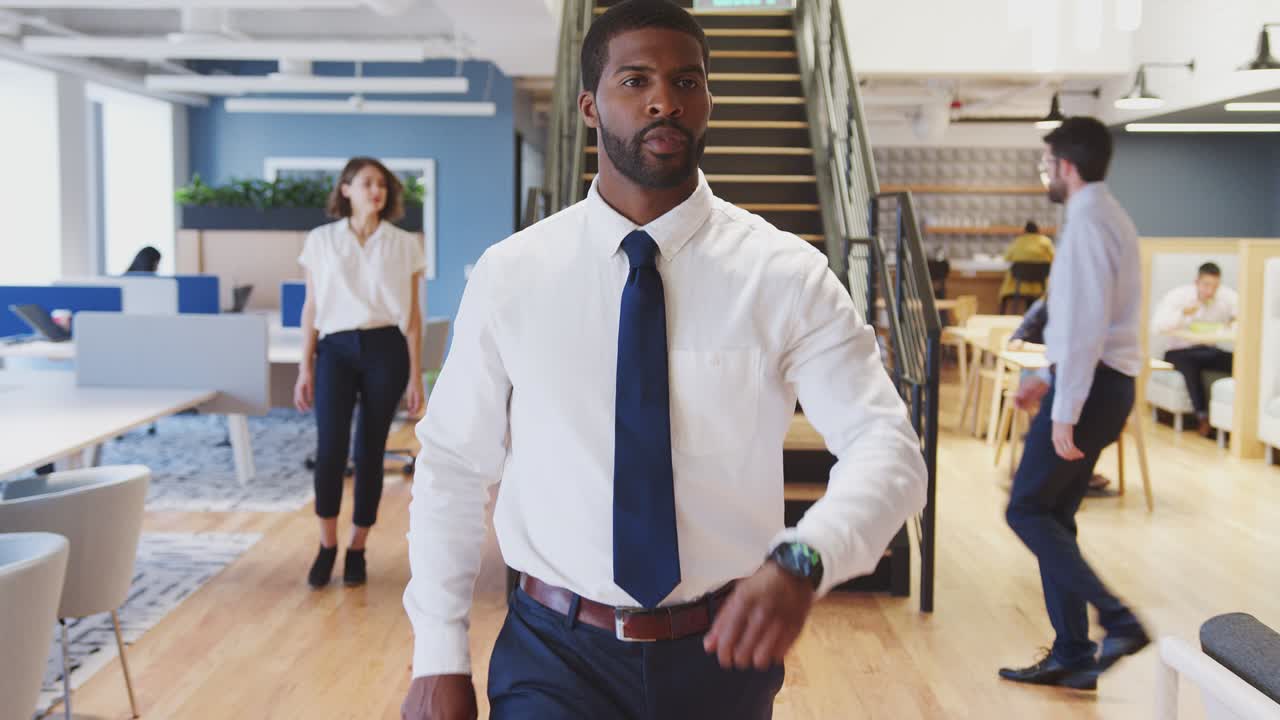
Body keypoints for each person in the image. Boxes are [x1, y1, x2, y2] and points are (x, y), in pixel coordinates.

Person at [400, 2, 928, 718]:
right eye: (636, 80)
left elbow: (888, 450)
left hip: (720, 654)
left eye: (688, 81)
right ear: (589, 106)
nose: (664, 101)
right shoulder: (512, 275)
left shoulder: (785, 276)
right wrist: (437, 656)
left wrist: (805, 558)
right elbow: (454, 466)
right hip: (554, 652)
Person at [1000, 117, 1148, 690]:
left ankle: (1117, 620)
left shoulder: (1088, 223)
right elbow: (1084, 321)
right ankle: (1073, 653)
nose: (1046, 175)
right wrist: (1047, 374)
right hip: (1102, 383)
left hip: (1091, 389)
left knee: (1027, 510)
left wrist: (1064, 405)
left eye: (1046, 164)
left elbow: (1086, 325)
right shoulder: (1107, 216)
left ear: (1066, 166)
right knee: (1054, 516)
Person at [293, 157, 426, 589]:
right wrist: (304, 366)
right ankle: (326, 544)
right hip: (335, 349)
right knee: (330, 449)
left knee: (370, 451)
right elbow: (311, 307)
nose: (377, 191)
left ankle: (357, 549)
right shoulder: (321, 241)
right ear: (346, 189)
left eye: (383, 186)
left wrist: (417, 375)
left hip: (386, 348)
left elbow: (413, 315)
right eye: (368, 183)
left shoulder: (405, 243)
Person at [1151, 262, 1238, 437]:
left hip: (1208, 349)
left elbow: (1242, 315)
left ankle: (1238, 419)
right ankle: (1202, 417)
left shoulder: (1225, 298)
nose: (1210, 291)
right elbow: (1158, 325)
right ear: (1197, 282)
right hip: (1178, 352)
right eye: (1206, 285)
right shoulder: (1179, 296)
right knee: (1191, 365)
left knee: (1237, 361)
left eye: (1214, 286)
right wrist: (1184, 315)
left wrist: (1234, 321)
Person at [999, 220, 1054, 303]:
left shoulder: (1018, 241)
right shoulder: (1046, 242)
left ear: (1025, 231)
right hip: (1041, 288)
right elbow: (1054, 258)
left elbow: (1006, 258)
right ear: (1038, 230)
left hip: (1019, 287)